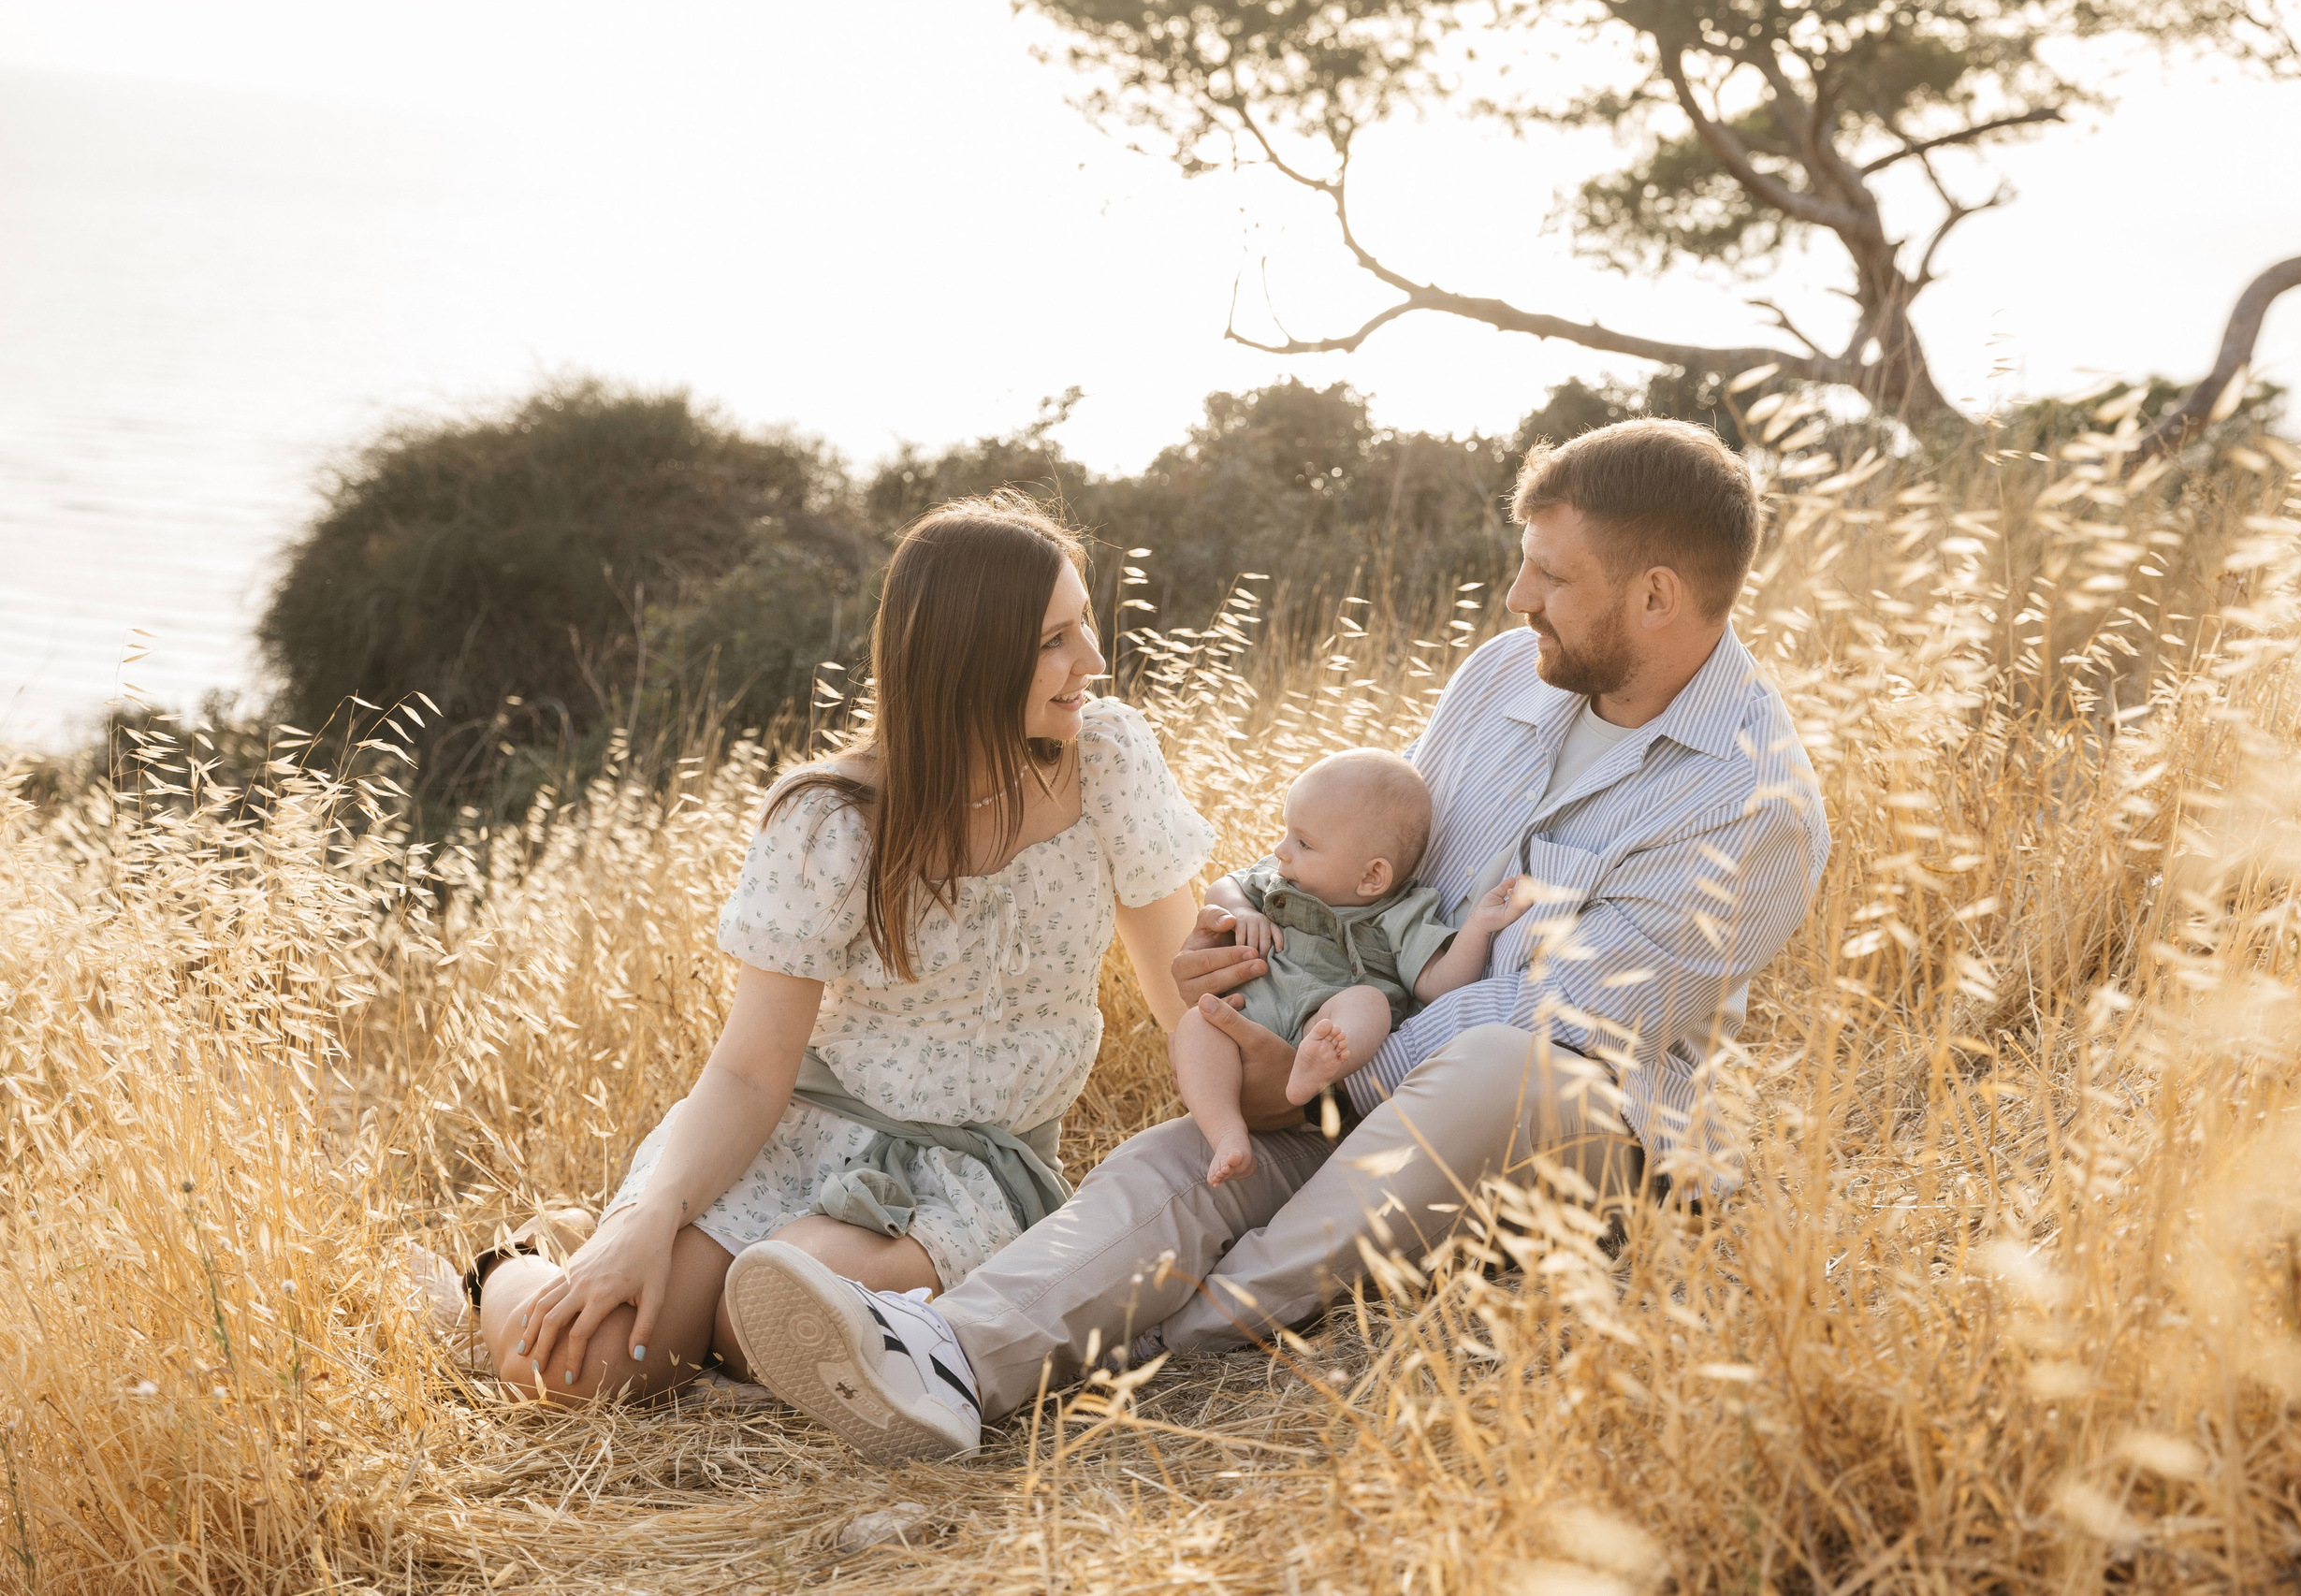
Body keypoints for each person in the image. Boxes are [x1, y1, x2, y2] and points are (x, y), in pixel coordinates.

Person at [721, 418, 1832, 1466]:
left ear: (1654, 595)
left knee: (1505, 1064)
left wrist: (1312, 1074)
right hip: (1367, 1072)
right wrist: (1264, 971)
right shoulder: (1502, 678)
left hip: (1589, 1145)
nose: (1517, 595)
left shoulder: (1751, 799)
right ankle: (953, 1357)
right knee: (1181, 1161)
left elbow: (1568, 1021)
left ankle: (1202, 1320)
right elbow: (1381, 870)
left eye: (1551, 575)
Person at [473, 497, 1214, 1418]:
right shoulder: (830, 817)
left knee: (794, 1305)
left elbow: (1185, 993)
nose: (1093, 662)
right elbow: (751, 1070)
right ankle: (515, 1260)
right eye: (1055, 640)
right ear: (966, 659)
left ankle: (735, 1325)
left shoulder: (1103, 760)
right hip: (799, 1138)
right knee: (580, 1371)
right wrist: (644, 1221)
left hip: (972, 1170)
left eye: (1087, 624)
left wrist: (1256, 1116)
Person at [1174, 747, 1536, 1186]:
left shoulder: (1400, 912)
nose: (1280, 851)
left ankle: (1317, 1067)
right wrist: (1242, 911)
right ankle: (1227, 1132)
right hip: (1248, 1017)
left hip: (1321, 1025)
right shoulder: (1277, 881)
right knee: (1198, 1023)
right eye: (1286, 832)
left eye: (1303, 843)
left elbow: (1438, 985)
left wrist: (1478, 926)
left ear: (1372, 878)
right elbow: (1223, 886)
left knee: (1370, 1004)